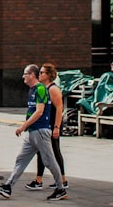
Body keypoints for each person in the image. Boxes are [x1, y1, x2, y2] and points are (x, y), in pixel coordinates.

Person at [0, 64, 67, 201]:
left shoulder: (41, 89)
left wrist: (23, 126)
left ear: (32, 75)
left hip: (41, 131)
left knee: (49, 161)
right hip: (32, 133)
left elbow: (39, 111)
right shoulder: (32, 89)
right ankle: (8, 187)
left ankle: (60, 188)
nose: (23, 76)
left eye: (25, 73)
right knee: (21, 159)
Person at [25, 63, 68, 191]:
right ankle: (39, 179)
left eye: (42, 72)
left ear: (49, 75)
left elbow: (59, 108)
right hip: (46, 125)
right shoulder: (42, 88)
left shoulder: (53, 89)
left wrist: (56, 127)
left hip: (53, 124)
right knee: (41, 152)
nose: (40, 74)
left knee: (55, 151)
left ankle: (63, 180)